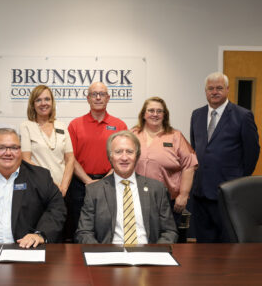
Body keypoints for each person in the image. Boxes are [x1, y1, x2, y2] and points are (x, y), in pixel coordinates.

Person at [190, 72, 260, 243]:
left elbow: (252, 152)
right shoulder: (197, 115)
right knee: (203, 245)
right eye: (210, 88)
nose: (214, 92)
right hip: (200, 193)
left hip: (227, 193)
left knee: (227, 245)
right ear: (205, 91)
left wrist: (238, 180)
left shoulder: (243, 116)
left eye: (219, 88)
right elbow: (196, 150)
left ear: (227, 90)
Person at [75, 131, 178, 244]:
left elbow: (169, 232)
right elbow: (84, 233)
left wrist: (155, 253)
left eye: (129, 152)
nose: (124, 157)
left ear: (137, 156)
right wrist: (101, 254)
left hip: (148, 254)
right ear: (110, 156)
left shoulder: (157, 189)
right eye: (118, 152)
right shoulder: (95, 191)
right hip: (109, 256)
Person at [66, 82, 127, 241]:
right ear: (88, 98)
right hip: (80, 184)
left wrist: (105, 179)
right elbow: (70, 157)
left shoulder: (119, 125)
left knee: (108, 226)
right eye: (94, 94)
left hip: (111, 181)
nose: (98, 97)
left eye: (102, 94)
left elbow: (123, 157)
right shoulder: (75, 125)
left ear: (108, 98)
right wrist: (88, 181)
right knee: (79, 227)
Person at [131, 97, 198, 236]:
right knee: (139, 237)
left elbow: (189, 166)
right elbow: (120, 162)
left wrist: (184, 195)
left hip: (167, 201)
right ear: (144, 114)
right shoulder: (133, 134)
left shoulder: (175, 136)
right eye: (151, 110)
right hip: (135, 198)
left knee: (166, 239)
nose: (155, 114)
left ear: (164, 115)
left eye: (159, 111)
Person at [20, 85, 74, 197]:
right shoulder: (26, 126)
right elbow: (26, 159)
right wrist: (53, 185)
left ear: (52, 102)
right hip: (37, 188)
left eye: (47, 99)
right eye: (38, 100)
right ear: (32, 104)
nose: (43, 103)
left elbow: (70, 159)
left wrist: (63, 187)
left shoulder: (62, 126)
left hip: (63, 191)